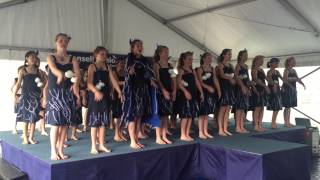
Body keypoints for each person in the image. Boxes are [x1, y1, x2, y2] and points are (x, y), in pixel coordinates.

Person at [45, 33, 81, 160]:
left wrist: (76, 84)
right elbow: (53, 69)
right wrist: (60, 74)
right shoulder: (51, 57)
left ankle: (60, 149)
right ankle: (53, 151)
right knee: (55, 124)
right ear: (56, 42)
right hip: (55, 93)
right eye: (61, 40)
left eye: (65, 41)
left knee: (65, 124)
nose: (63, 42)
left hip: (67, 93)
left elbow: (77, 73)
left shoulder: (73, 58)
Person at [121, 39, 157, 149]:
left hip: (143, 91)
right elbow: (126, 73)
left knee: (139, 117)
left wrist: (151, 80)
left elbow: (148, 73)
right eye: (137, 46)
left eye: (141, 45)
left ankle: (136, 139)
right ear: (132, 48)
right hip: (132, 91)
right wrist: (129, 72)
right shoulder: (129, 58)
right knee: (132, 116)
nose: (140, 47)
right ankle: (132, 141)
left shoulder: (144, 60)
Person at [87, 46, 123, 154]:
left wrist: (119, 92)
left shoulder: (108, 67)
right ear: (96, 55)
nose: (104, 56)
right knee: (95, 122)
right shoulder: (92, 66)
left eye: (105, 54)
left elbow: (113, 81)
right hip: (95, 96)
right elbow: (89, 83)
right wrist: (96, 92)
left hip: (105, 96)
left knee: (103, 122)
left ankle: (102, 144)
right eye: (102, 54)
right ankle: (94, 146)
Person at [14, 51, 46, 145]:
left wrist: (43, 94)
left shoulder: (39, 71)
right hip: (25, 97)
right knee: (25, 118)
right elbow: (19, 83)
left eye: (35, 57)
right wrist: (15, 95)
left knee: (33, 118)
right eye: (31, 57)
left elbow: (43, 85)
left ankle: (31, 138)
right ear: (26, 59)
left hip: (35, 97)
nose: (33, 58)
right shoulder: (23, 70)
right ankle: (25, 138)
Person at [177, 51, 204, 141]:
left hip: (193, 93)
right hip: (185, 94)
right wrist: (185, 92)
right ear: (184, 60)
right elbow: (179, 83)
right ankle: (182, 134)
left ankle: (187, 133)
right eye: (189, 59)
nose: (191, 61)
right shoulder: (181, 70)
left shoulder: (192, 70)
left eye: (192, 59)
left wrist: (201, 92)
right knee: (185, 115)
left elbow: (197, 82)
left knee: (190, 114)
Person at [153, 45, 176, 144]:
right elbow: (157, 79)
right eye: (165, 52)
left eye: (168, 52)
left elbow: (173, 78)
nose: (167, 54)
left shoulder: (170, 66)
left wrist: (174, 90)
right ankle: (158, 137)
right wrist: (163, 90)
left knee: (166, 115)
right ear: (160, 53)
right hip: (160, 91)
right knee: (160, 114)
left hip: (169, 91)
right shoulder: (157, 65)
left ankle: (164, 135)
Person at [196, 52, 221, 139]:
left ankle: (205, 131)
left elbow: (215, 79)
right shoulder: (200, 69)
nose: (210, 59)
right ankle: (200, 132)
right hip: (203, 92)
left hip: (210, 92)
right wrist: (208, 87)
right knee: (202, 113)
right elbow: (199, 82)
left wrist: (219, 90)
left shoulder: (212, 68)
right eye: (208, 57)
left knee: (207, 113)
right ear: (203, 59)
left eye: (211, 58)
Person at [216, 49, 236, 136]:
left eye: (231, 54)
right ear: (224, 55)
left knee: (228, 108)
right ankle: (220, 129)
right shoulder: (221, 65)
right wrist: (230, 79)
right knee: (222, 109)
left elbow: (235, 75)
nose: (230, 55)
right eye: (229, 54)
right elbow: (222, 75)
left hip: (230, 88)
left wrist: (234, 80)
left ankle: (225, 128)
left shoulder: (231, 65)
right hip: (224, 87)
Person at [282, 57, 305, 127]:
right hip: (287, 89)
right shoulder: (286, 70)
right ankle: (286, 122)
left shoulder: (294, 70)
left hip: (293, 89)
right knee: (287, 106)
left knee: (290, 106)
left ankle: (288, 121)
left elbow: (297, 79)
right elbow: (285, 79)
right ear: (289, 62)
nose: (295, 62)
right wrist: (291, 83)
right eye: (293, 61)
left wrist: (302, 83)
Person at [234, 50, 251, 133]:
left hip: (245, 87)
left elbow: (247, 78)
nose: (246, 57)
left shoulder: (246, 66)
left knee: (243, 108)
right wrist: (242, 86)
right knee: (239, 107)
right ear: (240, 56)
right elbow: (236, 78)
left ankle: (241, 125)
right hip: (240, 88)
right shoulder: (238, 66)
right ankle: (237, 126)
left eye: (246, 55)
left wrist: (249, 87)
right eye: (244, 55)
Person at [251, 55, 269, 131]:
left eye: (263, 60)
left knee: (262, 107)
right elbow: (256, 79)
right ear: (256, 60)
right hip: (257, 89)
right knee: (257, 108)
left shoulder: (261, 70)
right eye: (261, 60)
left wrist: (272, 84)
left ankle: (260, 124)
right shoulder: (254, 69)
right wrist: (265, 86)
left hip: (262, 89)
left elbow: (266, 78)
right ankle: (256, 125)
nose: (262, 62)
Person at [112, 59, 127, 142]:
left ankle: (121, 133)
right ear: (117, 64)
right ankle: (116, 134)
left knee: (123, 115)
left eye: (123, 64)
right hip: (117, 95)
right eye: (121, 63)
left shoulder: (124, 73)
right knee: (118, 116)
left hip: (125, 95)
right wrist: (127, 82)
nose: (122, 65)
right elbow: (116, 83)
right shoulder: (114, 73)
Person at [266, 58, 283, 129]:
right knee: (275, 106)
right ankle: (273, 122)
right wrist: (274, 86)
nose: (276, 64)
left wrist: (283, 85)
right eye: (275, 63)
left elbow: (282, 79)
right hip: (272, 89)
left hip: (277, 89)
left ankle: (274, 122)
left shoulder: (277, 71)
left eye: (277, 63)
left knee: (278, 107)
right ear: (271, 63)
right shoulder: (269, 72)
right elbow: (269, 81)